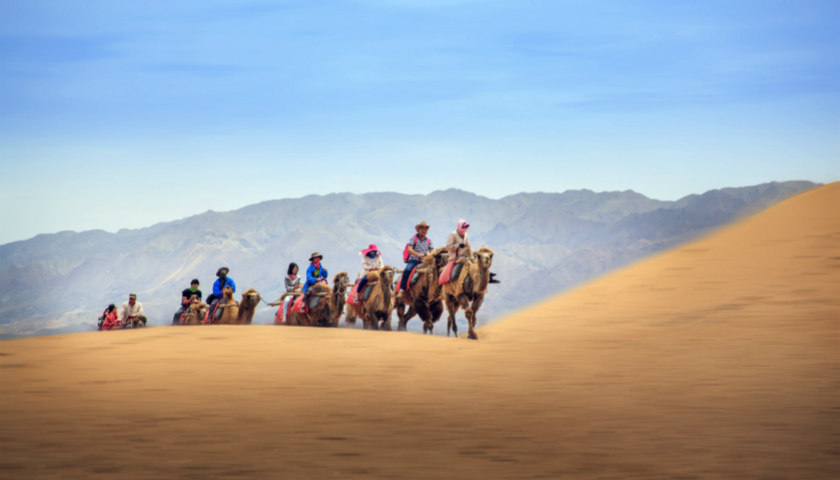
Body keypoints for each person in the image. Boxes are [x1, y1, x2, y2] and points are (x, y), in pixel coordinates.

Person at [400, 221, 433, 291]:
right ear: (418, 230)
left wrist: (429, 255)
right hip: (414, 260)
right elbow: (409, 249)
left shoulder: (429, 240)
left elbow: (432, 251)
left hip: (424, 261)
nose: (423, 231)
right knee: (407, 270)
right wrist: (418, 255)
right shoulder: (413, 237)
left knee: (433, 271)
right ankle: (402, 289)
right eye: (422, 229)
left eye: (425, 229)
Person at [439, 219, 471, 285]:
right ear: (459, 226)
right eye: (463, 226)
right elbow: (448, 246)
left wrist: (468, 247)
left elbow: (468, 244)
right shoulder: (453, 234)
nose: (465, 228)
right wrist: (458, 245)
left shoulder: (466, 234)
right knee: (454, 274)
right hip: (456, 257)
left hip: (465, 256)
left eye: (466, 227)